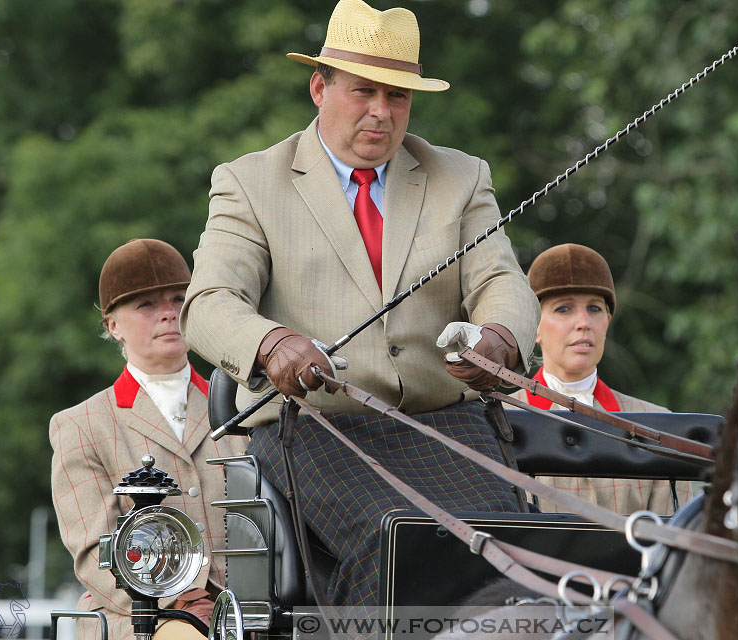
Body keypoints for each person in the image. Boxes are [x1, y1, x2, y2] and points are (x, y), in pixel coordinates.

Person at [180, 0, 539, 608]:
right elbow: (210, 302)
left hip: (450, 426)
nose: (381, 112)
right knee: (401, 541)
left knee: (517, 548)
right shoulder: (248, 182)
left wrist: (499, 340)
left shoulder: (462, 176)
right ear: (318, 88)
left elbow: (503, 282)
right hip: (317, 428)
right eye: (363, 91)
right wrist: (273, 345)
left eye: (397, 96)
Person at [50, 239, 247, 640]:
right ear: (113, 325)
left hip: (244, 611)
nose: (169, 314)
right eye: (146, 305)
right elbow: (95, 554)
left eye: (178, 299)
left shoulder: (246, 408)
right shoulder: (80, 424)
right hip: (137, 615)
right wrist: (179, 603)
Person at [518, 243, 693, 514]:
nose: (583, 322)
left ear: (607, 322)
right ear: (534, 325)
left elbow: (673, 547)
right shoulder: (498, 422)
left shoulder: (656, 425)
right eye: (563, 309)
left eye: (595, 309)